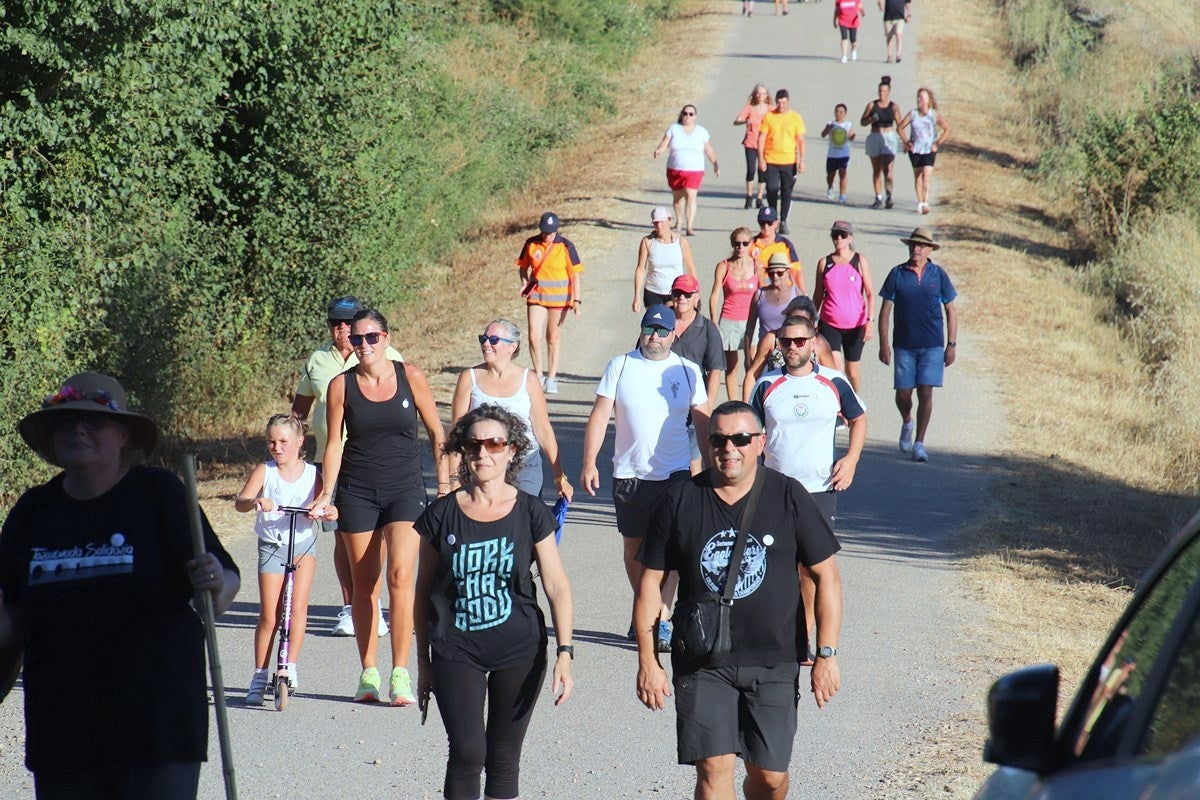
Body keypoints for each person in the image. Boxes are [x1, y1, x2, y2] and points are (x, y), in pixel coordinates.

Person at [0, 372, 241, 799]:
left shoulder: (158, 493)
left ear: (124, 435)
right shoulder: (33, 511)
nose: (78, 429)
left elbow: (224, 580)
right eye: (67, 422)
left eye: (94, 422)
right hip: (63, 727)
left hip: (158, 724)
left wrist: (214, 583)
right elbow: (9, 614)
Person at [634, 401, 843, 800]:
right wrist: (648, 661)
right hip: (702, 659)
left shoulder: (789, 496)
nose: (730, 448)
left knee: (769, 777)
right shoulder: (680, 500)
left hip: (774, 659)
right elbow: (650, 584)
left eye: (741, 439)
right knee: (714, 772)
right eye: (719, 439)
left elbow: (826, 576)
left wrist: (826, 654)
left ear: (760, 442)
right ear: (708, 443)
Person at [414, 405, 574, 800]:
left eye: (494, 444)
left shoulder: (531, 512)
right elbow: (421, 591)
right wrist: (421, 660)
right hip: (455, 647)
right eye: (473, 445)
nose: (483, 453)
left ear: (512, 451)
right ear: (463, 452)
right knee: (468, 752)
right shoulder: (441, 515)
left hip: (520, 649)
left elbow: (556, 585)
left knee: (503, 756)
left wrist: (565, 652)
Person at [312, 308, 451, 704]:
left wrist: (445, 485)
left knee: (402, 576)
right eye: (357, 339)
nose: (364, 345)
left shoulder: (412, 376)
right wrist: (327, 493)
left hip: (405, 489)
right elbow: (335, 442)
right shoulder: (341, 386)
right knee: (364, 585)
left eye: (371, 337)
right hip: (357, 491)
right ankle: (369, 672)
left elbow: (437, 431)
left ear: (387, 339)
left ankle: (401, 673)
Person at [580, 305, 711, 647]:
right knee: (634, 549)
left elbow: (703, 423)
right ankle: (645, 607)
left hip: (675, 473)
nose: (654, 336)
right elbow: (599, 415)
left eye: (662, 331)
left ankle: (660, 618)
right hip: (630, 474)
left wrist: (712, 469)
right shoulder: (620, 365)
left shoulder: (687, 371)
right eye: (649, 330)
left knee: (676, 552)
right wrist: (589, 462)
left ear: (673, 335)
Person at [751, 315, 866, 664]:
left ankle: (805, 638)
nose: (793, 348)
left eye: (800, 341)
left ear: (813, 342)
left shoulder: (833, 382)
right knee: (774, 567)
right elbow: (751, 434)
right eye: (786, 342)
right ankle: (776, 634)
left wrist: (851, 460)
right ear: (778, 345)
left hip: (818, 489)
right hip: (775, 488)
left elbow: (858, 418)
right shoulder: (766, 385)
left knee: (812, 568)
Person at [291, 294, 397, 638]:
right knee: (340, 536)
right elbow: (300, 408)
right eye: (335, 322)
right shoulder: (319, 359)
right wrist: (290, 445)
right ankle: (351, 607)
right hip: (328, 457)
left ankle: (373, 605)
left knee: (374, 536)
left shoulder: (385, 354)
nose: (341, 328)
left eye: (348, 323)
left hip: (372, 457)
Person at [234, 414, 327, 705]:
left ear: (300, 442)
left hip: (301, 545)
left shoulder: (314, 474)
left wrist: (325, 511)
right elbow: (241, 502)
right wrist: (256, 501)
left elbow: (327, 505)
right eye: (272, 442)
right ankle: (259, 675)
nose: (277, 447)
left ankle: (289, 667)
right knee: (270, 615)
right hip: (272, 545)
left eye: (284, 441)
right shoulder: (266, 471)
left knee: (297, 609)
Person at [449, 318, 573, 501]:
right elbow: (456, 433)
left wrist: (559, 477)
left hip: (524, 469)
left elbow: (544, 430)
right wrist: (453, 481)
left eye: (493, 340)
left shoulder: (529, 380)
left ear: (512, 347)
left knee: (521, 523)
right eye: (483, 338)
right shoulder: (469, 378)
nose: (486, 344)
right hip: (482, 467)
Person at [878, 227, 958, 462]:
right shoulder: (897, 274)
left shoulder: (938, 275)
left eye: (921, 245)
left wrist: (951, 344)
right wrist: (884, 343)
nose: (916, 249)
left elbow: (951, 310)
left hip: (932, 344)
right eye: (913, 244)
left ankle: (919, 443)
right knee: (903, 393)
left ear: (929, 249)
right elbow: (885, 312)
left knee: (925, 390)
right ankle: (907, 421)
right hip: (904, 344)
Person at [516, 211, 584, 394]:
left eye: (551, 232)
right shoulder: (531, 243)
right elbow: (523, 267)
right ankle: (538, 374)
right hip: (536, 296)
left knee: (552, 337)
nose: (548, 235)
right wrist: (524, 283)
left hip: (559, 299)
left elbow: (575, 275)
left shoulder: (566, 246)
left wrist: (576, 300)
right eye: (545, 231)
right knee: (533, 336)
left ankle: (552, 377)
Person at [668, 274, 725, 474]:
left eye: (687, 294)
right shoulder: (661, 322)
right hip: (664, 405)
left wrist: (706, 407)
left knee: (694, 464)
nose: (682, 298)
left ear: (696, 297)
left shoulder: (708, 329)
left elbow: (715, 370)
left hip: (694, 407)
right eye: (677, 293)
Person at [813, 220, 876, 392]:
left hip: (856, 326)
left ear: (850, 238)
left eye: (843, 235)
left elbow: (870, 293)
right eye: (835, 235)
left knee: (853, 373)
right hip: (830, 324)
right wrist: (811, 319)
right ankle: (839, 410)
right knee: (835, 371)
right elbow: (818, 295)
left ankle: (854, 402)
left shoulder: (859, 261)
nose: (839, 238)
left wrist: (870, 321)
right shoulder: (824, 263)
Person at [742, 295, 840, 401]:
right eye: (794, 320)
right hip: (776, 401)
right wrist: (746, 405)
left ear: (812, 323)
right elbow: (753, 373)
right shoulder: (772, 339)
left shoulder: (819, 343)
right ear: (786, 318)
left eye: (803, 322)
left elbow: (834, 379)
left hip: (811, 402)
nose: (797, 326)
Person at [709, 228, 761, 402]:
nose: (741, 247)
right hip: (729, 320)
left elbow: (764, 293)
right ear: (732, 244)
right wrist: (714, 321)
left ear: (751, 243)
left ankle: (749, 404)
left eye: (745, 243)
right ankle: (734, 405)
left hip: (752, 321)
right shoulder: (724, 266)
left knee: (752, 365)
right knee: (731, 368)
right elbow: (715, 294)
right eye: (737, 243)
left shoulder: (756, 265)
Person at [654, 104, 720, 236]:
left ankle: (689, 226)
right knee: (678, 198)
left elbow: (708, 149)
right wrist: (659, 150)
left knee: (691, 195)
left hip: (694, 170)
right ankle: (679, 222)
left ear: (695, 116)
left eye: (690, 114)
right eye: (685, 113)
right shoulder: (674, 129)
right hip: (675, 169)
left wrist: (715, 163)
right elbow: (665, 143)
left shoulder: (701, 131)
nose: (687, 116)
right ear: (681, 115)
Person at [744, 254, 802, 392]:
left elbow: (806, 329)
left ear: (788, 272)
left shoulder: (797, 294)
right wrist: (747, 357)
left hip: (790, 353)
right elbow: (749, 328)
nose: (775, 276)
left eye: (779, 273)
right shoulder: (759, 294)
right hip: (764, 355)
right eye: (771, 273)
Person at [757, 89, 806, 235]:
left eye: (783, 103)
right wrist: (761, 159)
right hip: (771, 159)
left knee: (787, 192)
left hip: (789, 161)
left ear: (788, 102)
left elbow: (801, 141)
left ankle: (783, 221)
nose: (781, 106)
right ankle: (773, 217)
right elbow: (761, 138)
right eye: (778, 102)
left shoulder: (795, 118)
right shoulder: (769, 116)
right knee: (771, 189)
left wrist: (802, 160)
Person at [632, 206, 698, 312]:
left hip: (675, 292)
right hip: (653, 292)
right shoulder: (647, 242)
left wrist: (695, 294)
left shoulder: (681, 241)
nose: (659, 225)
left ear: (669, 220)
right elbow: (640, 269)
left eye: (662, 222)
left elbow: (691, 269)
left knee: (672, 324)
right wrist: (636, 296)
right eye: (655, 222)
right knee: (655, 324)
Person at [898, 87, 951, 214]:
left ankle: (926, 203)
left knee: (927, 175)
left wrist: (937, 143)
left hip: (929, 149)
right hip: (915, 149)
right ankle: (920, 202)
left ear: (928, 100)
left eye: (922, 97)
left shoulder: (934, 114)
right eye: (918, 97)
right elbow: (900, 128)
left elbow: (947, 129)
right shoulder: (913, 114)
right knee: (918, 177)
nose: (919, 99)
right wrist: (906, 142)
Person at [861, 75, 903, 209]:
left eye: (884, 91)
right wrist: (869, 121)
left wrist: (905, 141)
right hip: (875, 135)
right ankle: (878, 197)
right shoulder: (871, 105)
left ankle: (889, 196)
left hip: (889, 136)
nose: (881, 94)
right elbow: (862, 122)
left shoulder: (893, 106)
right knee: (876, 169)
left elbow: (900, 124)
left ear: (888, 92)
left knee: (888, 169)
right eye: (880, 91)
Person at [733, 84, 774, 209]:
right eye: (758, 93)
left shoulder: (771, 109)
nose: (760, 96)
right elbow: (736, 121)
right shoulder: (749, 108)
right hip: (750, 142)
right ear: (755, 94)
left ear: (766, 95)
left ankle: (760, 198)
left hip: (766, 144)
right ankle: (749, 196)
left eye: (763, 93)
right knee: (751, 169)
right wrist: (745, 121)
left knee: (762, 171)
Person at [749, 206, 804, 291]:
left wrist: (804, 295)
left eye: (769, 223)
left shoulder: (785, 244)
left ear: (776, 223)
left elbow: (796, 271)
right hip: (758, 290)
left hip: (782, 290)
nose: (766, 226)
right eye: (762, 223)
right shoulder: (750, 244)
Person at [821, 103, 857, 204]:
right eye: (837, 111)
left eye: (841, 112)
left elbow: (851, 135)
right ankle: (830, 186)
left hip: (844, 154)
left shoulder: (848, 124)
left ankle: (842, 194)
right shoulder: (831, 123)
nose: (839, 114)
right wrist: (828, 129)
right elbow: (823, 134)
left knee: (843, 173)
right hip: (832, 154)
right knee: (830, 175)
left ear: (845, 113)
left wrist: (852, 136)